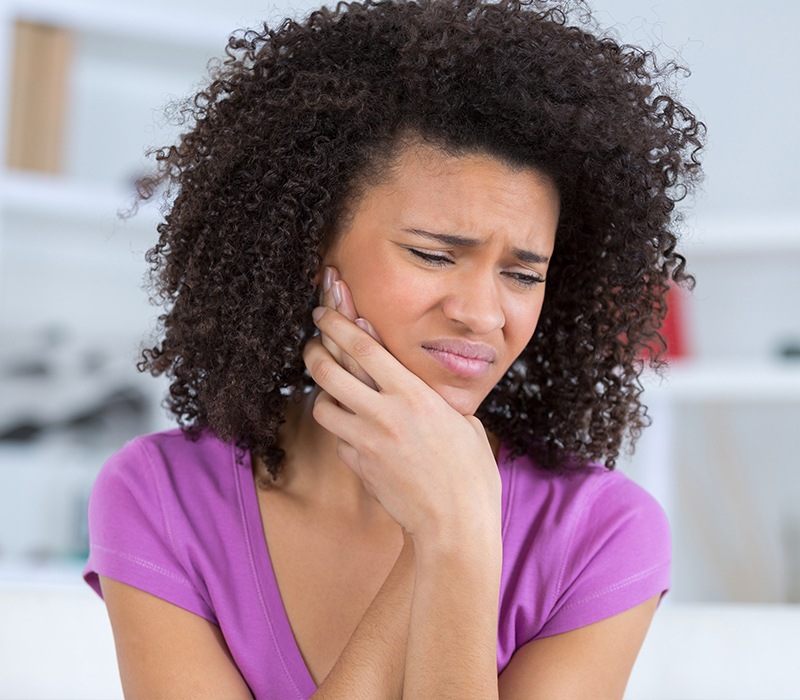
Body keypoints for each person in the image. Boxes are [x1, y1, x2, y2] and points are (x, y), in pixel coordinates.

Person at [83, 0, 704, 697]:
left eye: (523, 274)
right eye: (434, 256)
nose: (481, 314)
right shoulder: (163, 498)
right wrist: (444, 531)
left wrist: (458, 538)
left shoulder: (600, 533)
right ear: (309, 247)